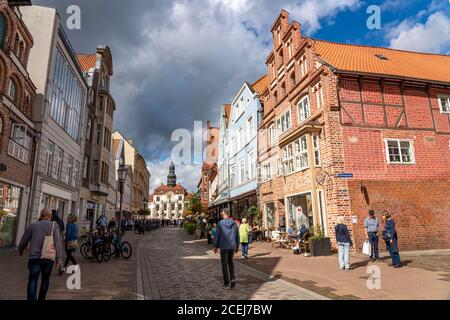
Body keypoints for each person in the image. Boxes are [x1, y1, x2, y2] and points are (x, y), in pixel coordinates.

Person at [18, 208, 62, 300]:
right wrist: (58, 257)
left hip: (34, 257)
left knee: (33, 280)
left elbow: (24, 239)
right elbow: (58, 242)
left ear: (41, 215)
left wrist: (21, 249)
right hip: (48, 257)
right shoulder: (55, 225)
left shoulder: (33, 225)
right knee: (45, 280)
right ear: (50, 216)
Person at [213, 209, 240, 290]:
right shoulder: (234, 223)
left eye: (222, 213)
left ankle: (227, 283)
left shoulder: (220, 223)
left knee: (224, 264)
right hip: (232, 246)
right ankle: (232, 280)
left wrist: (215, 246)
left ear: (224, 214)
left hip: (224, 246)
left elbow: (217, 235)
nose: (221, 214)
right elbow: (237, 235)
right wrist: (237, 246)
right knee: (230, 262)